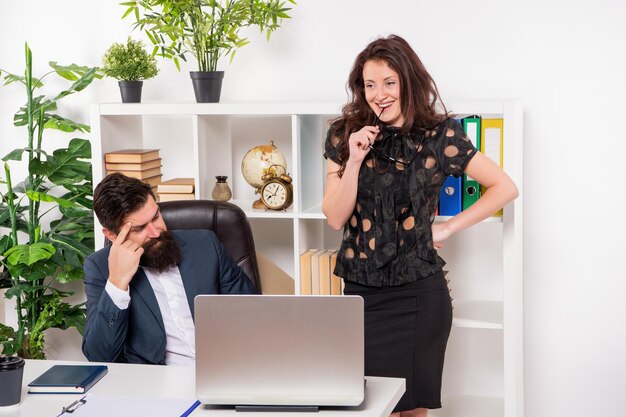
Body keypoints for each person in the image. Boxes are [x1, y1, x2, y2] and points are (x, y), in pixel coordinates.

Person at [322, 35, 518, 417]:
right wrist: (356, 161)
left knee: (412, 412)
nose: (379, 94)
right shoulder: (344, 136)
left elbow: (504, 187)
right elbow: (334, 217)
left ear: (407, 81)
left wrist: (445, 229)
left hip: (419, 297)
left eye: (389, 82)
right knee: (371, 408)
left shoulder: (439, 135)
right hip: (362, 297)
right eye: (370, 84)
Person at [82, 173, 259, 365]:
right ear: (112, 235)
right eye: (139, 229)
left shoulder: (206, 245)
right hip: (159, 385)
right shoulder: (100, 268)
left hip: (225, 370)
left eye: (156, 216)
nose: (156, 232)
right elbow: (99, 356)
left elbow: (254, 315)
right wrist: (117, 284)